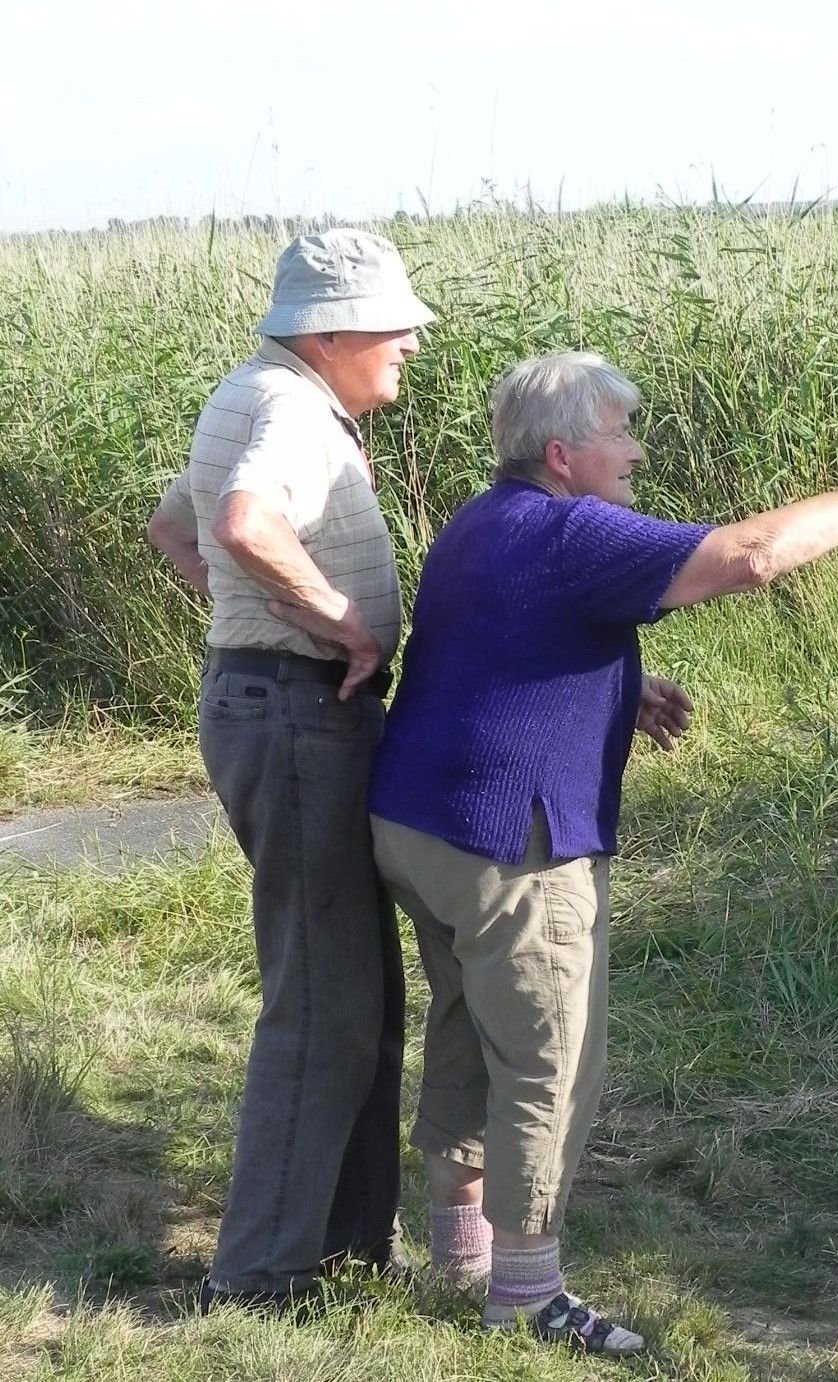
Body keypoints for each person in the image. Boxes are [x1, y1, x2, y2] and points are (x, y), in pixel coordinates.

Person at [362, 350, 838, 1356]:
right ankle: (523, 1296)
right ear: (562, 455)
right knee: (548, 1060)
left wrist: (616, 690)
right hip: (508, 841)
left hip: (421, 823)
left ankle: (462, 1254)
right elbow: (750, 557)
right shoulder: (569, 530)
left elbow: (495, 648)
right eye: (620, 433)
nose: (636, 448)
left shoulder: (484, 521)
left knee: (474, 1030)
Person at [145, 228, 434, 1310]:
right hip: (299, 715)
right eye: (393, 324)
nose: (409, 341)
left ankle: (349, 1244)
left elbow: (172, 531)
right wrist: (338, 624)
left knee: (356, 987)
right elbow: (236, 522)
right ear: (332, 331)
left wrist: (249, 631)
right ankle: (260, 1271)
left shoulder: (256, 393)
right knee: (321, 999)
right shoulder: (290, 411)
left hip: (280, 700)